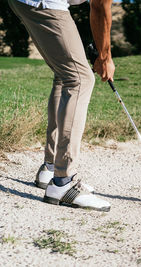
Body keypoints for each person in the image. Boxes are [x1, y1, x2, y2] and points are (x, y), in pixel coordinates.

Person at [8, 0, 115, 211]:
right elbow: (100, 5)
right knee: (80, 79)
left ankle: (50, 169)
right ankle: (63, 182)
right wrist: (104, 56)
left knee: (66, 76)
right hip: (45, 3)